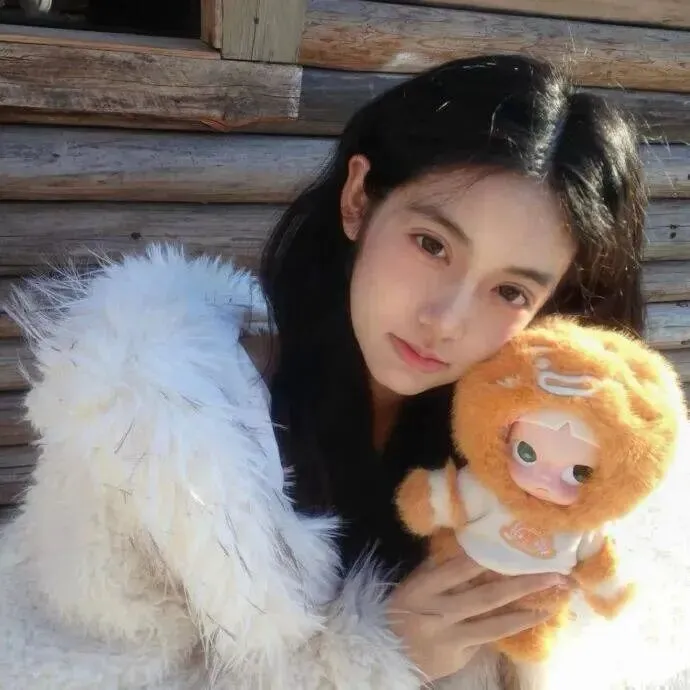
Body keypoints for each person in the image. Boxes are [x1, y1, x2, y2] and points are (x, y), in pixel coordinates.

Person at [1, 54, 687, 690]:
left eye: (510, 290)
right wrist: (374, 659)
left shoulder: (558, 465)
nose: (447, 320)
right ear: (359, 198)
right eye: (432, 244)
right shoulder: (155, 434)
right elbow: (61, 667)